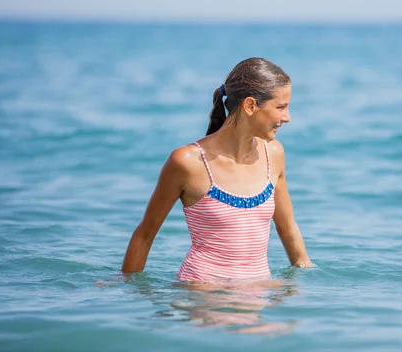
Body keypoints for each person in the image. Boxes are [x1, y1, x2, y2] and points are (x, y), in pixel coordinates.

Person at [122, 57, 314, 284]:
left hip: (258, 297)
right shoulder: (187, 162)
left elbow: (288, 228)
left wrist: (306, 285)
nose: (287, 117)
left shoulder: (274, 154)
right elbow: (145, 234)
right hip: (204, 297)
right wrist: (129, 293)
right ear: (250, 105)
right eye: (281, 107)